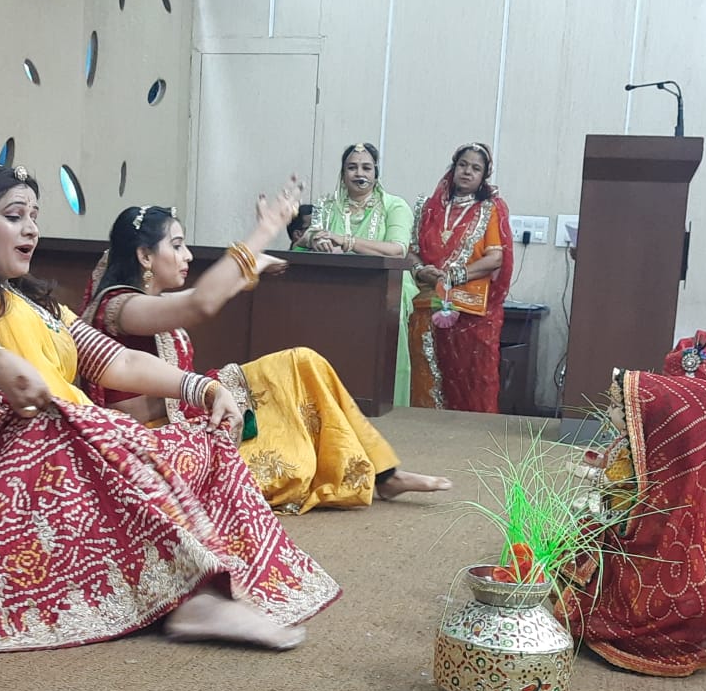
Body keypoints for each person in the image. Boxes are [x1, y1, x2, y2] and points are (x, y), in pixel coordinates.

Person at [0, 163, 340, 655]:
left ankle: (205, 584)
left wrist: (199, 390)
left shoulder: (40, 306)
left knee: (197, 443)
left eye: (34, 216)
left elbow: (114, 361)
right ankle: (193, 597)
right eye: (14, 216)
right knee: (66, 429)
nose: (31, 229)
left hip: (30, 437)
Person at [80, 190, 451, 515]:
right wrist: (264, 231)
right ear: (145, 256)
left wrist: (248, 270)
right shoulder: (119, 308)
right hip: (152, 446)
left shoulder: (144, 303)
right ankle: (373, 476)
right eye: (176, 245)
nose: (187, 255)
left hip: (188, 415)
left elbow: (196, 300)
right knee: (290, 458)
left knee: (303, 363)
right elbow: (200, 303)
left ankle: (384, 473)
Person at [558, 368, 706, 677]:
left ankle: (620, 620)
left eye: (619, 408)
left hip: (635, 538)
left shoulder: (660, 466)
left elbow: (620, 487)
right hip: (621, 520)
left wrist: (592, 477)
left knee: (591, 546)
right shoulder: (638, 447)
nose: (611, 413)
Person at [296, 143, 416, 407]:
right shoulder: (328, 205)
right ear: (343, 172)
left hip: (383, 294)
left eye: (366, 167)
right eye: (352, 167)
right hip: (336, 294)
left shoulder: (394, 206)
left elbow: (397, 250)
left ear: (376, 172)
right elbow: (306, 235)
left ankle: (386, 408)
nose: (359, 173)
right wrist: (317, 240)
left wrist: (346, 241)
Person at [409, 142, 513, 413]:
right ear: (453, 167)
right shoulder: (427, 208)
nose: (468, 172)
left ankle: (471, 437)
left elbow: (495, 259)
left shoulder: (489, 210)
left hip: (473, 313)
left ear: (483, 176)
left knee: (471, 379)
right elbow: (412, 252)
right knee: (429, 373)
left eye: (476, 168)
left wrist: (455, 275)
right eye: (463, 165)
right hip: (428, 303)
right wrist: (422, 270)